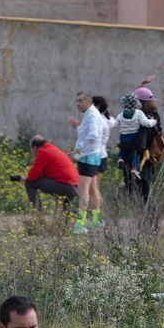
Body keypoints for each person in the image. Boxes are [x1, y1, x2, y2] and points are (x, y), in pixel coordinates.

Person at [68, 92, 103, 234]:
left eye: (80, 100)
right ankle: (95, 221)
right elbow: (86, 132)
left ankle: (81, 223)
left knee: (83, 190)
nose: (78, 103)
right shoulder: (90, 113)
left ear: (88, 101)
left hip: (88, 156)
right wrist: (77, 127)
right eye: (76, 100)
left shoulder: (92, 115)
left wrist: (78, 149)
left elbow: (93, 135)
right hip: (93, 156)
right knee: (93, 190)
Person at [16, 136, 78, 211]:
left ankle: (37, 214)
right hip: (74, 187)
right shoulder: (53, 149)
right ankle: (85, 215)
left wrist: (26, 179)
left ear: (35, 148)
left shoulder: (43, 152)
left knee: (29, 182)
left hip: (65, 186)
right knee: (67, 213)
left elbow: (32, 176)